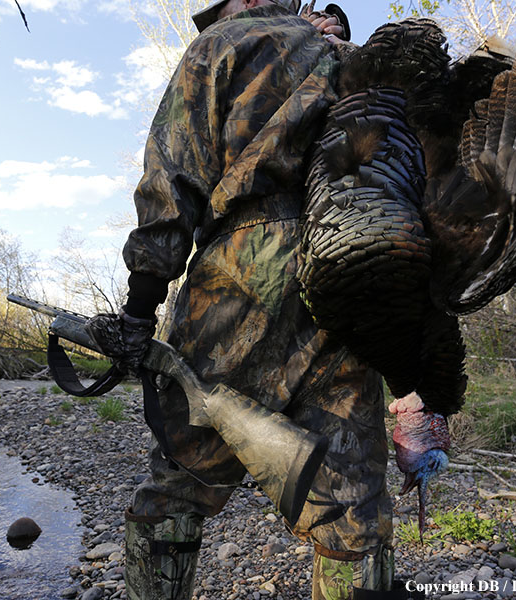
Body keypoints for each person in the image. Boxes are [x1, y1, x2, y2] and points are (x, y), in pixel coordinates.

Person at [96, 1, 412, 598]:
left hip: (246, 265)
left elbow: (172, 182)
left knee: (180, 483)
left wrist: (140, 305)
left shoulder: (224, 43)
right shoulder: (356, 59)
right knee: (352, 510)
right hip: (354, 274)